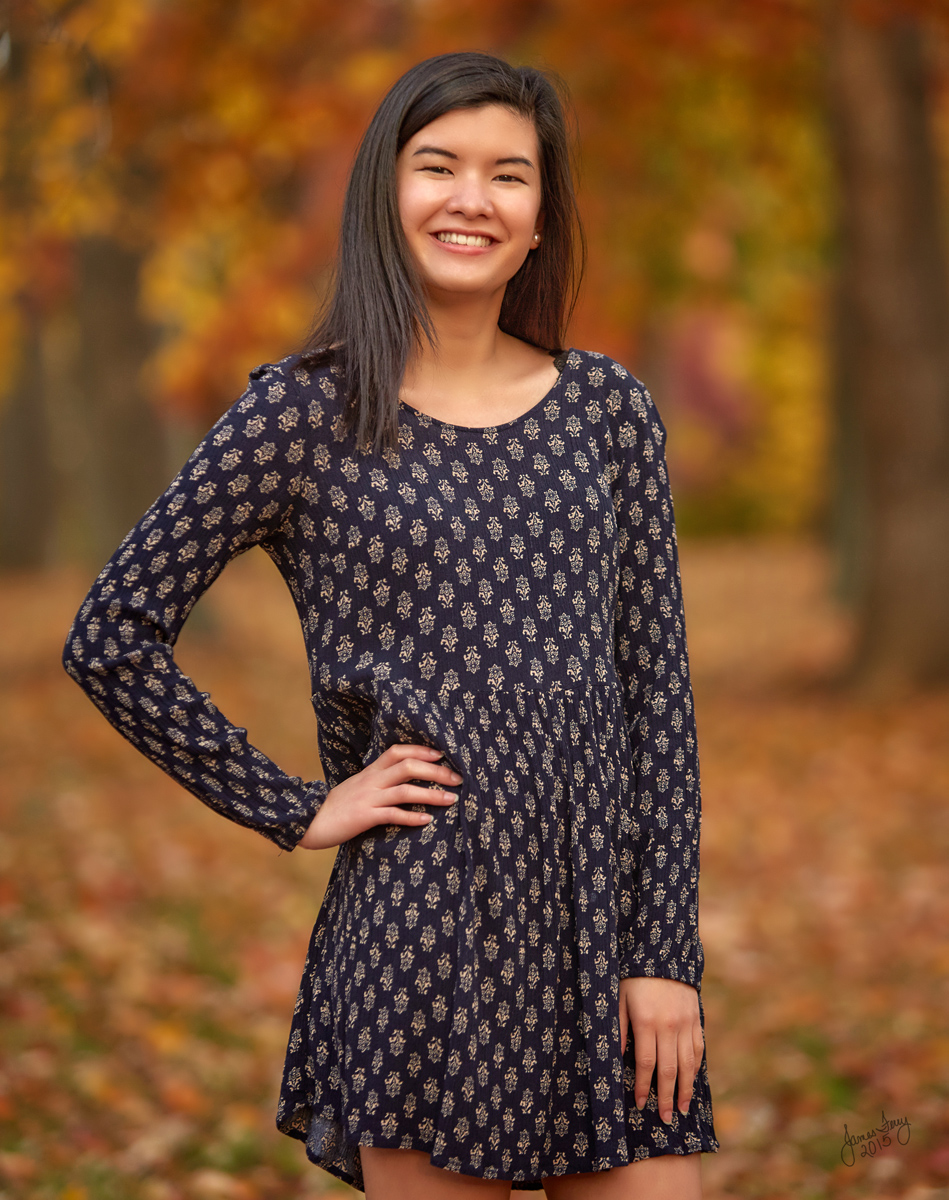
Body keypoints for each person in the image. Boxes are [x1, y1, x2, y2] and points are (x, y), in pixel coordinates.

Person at [62, 50, 719, 1199]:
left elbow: (655, 692)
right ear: (384, 193)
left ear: (537, 218)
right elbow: (111, 631)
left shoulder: (610, 411)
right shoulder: (301, 413)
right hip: (424, 932)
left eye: (508, 175)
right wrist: (295, 807)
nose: (473, 198)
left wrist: (662, 956)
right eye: (439, 165)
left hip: (598, 933)